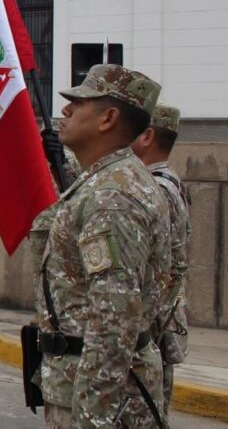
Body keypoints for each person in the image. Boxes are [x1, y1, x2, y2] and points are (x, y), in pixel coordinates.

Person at [33, 64, 171, 427]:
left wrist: (92, 419)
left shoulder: (112, 196)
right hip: (88, 383)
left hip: (101, 397)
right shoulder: (104, 182)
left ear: (108, 118)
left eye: (77, 104)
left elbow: (114, 323)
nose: (64, 111)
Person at [131, 103, 191, 413]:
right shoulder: (167, 181)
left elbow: (164, 267)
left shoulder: (158, 188)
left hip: (152, 328)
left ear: (147, 136)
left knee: (149, 411)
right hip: (157, 324)